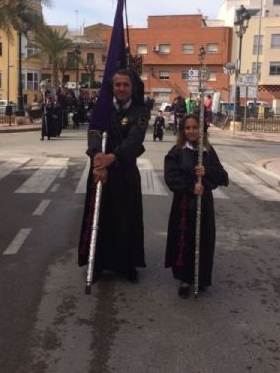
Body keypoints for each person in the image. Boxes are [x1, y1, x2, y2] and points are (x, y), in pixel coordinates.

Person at [78, 69, 149, 283]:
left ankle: (126, 265)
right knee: (101, 219)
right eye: (117, 85)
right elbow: (93, 132)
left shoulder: (140, 112)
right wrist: (98, 156)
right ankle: (98, 263)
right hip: (102, 173)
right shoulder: (102, 109)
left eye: (125, 85)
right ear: (112, 87)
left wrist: (112, 158)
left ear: (132, 87)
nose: (121, 89)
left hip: (125, 174)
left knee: (126, 220)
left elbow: (134, 141)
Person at [164, 114, 229, 298]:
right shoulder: (176, 151)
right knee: (185, 239)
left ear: (201, 130)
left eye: (195, 127)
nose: (191, 131)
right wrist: (191, 186)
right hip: (184, 205)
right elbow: (171, 178)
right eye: (188, 128)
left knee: (203, 240)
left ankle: (200, 277)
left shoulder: (207, 151)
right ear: (183, 130)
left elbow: (223, 178)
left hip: (204, 205)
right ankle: (185, 279)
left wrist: (206, 171)